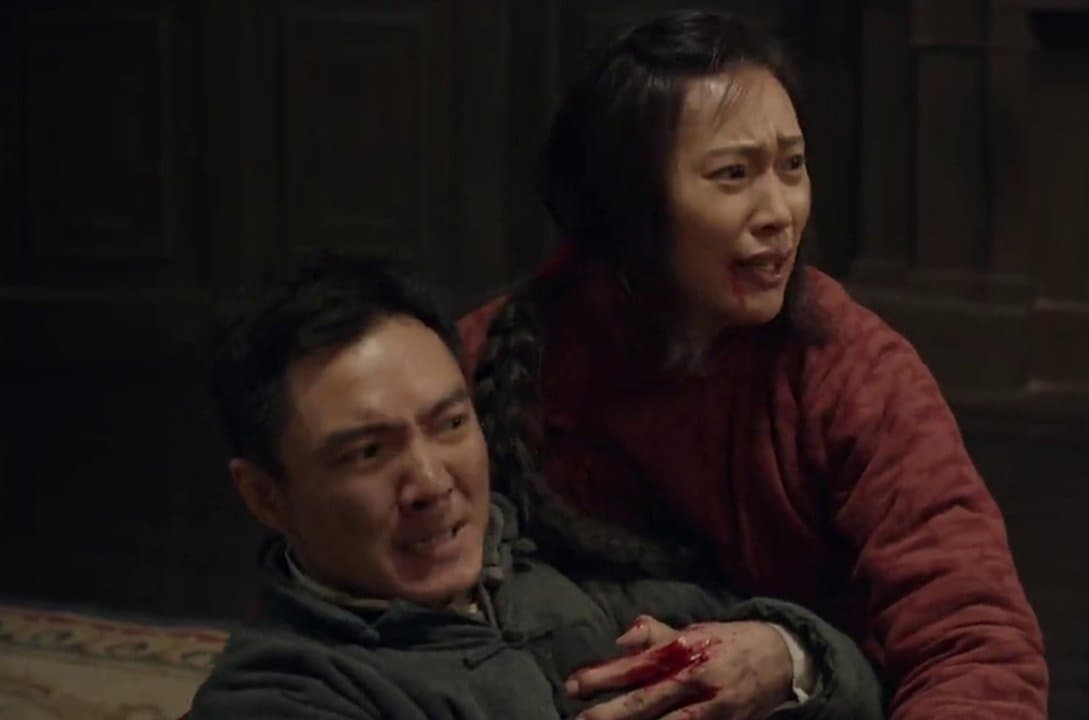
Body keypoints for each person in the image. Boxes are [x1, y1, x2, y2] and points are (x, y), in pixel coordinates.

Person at [459, 10, 1049, 719]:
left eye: (792, 166)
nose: (780, 212)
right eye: (733, 174)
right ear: (628, 204)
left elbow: (975, 641)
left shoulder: (850, 371)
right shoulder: (496, 355)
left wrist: (796, 657)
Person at [189, 256, 884, 720]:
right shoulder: (282, 696)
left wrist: (784, 658)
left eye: (450, 424)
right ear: (265, 497)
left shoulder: (544, 571)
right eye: (369, 453)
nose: (430, 483)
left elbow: (854, 678)